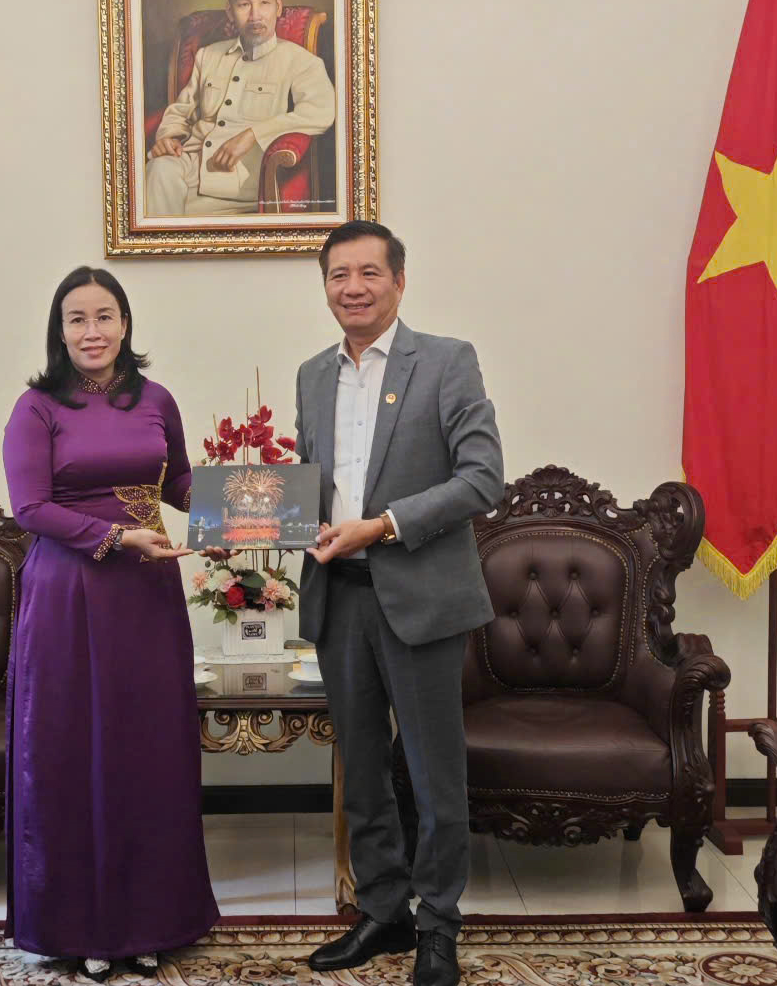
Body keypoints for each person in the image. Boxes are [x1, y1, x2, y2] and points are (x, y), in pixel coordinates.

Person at [293, 221, 504, 986]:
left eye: (368, 273)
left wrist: (380, 527)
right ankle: (384, 912)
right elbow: (312, 484)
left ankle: (440, 925)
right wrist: (284, 522)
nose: (353, 287)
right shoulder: (312, 374)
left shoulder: (446, 363)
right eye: (338, 275)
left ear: (399, 281)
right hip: (339, 597)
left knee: (432, 771)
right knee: (364, 770)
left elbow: (483, 478)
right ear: (326, 288)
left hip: (418, 595)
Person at [2, 266, 219, 981]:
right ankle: (85, 925)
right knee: (75, 752)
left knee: (150, 750)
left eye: (104, 316)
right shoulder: (37, 408)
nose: (91, 332)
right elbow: (30, 508)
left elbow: (179, 483)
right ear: (59, 331)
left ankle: (153, 920)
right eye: (76, 319)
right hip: (69, 596)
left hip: (148, 596)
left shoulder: (156, 399)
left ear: (125, 323)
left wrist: (232, 515)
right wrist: (118, 538)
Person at [144, 0, 336, 216]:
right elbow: (180, 110)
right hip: (189, 170)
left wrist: (252, 135)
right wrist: (168, 137)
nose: (255, 15)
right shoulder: (207, 55)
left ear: (278, 7)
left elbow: (321, 111)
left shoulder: (301, 61)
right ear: (230, 11)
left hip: (244, 183)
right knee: (158, 170)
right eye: (244, 4)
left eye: (264, 2)